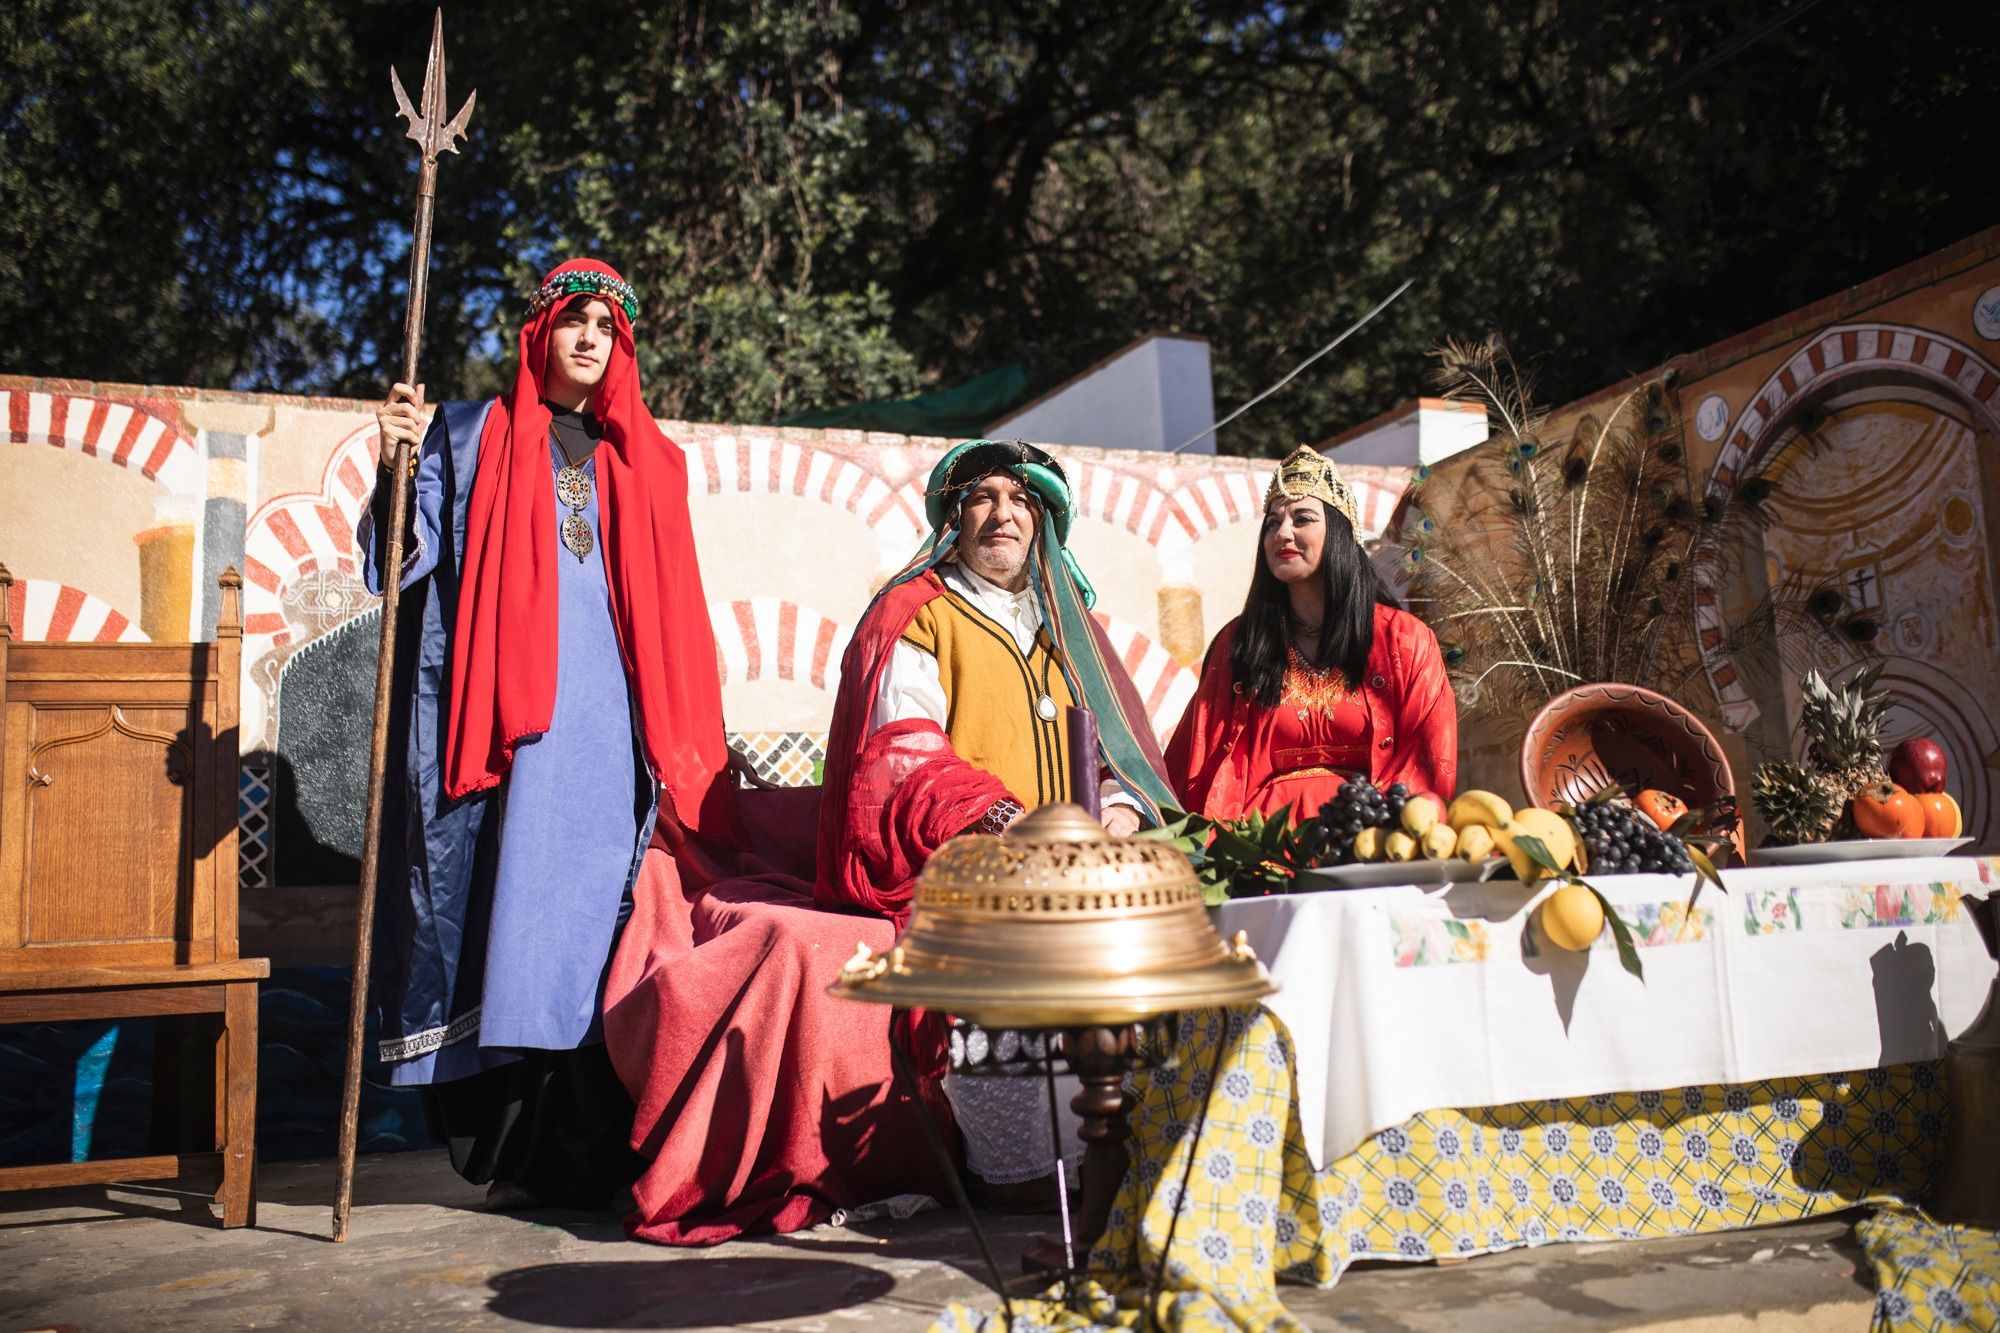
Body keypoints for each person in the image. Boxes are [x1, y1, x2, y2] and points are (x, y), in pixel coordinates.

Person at [603, 438, 1178, 1240]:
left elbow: (1118, 751)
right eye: (982, 497)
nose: (1002, 513)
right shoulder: (916, 613)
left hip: (1077, 868)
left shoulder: (1070, 631)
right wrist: (1005, 822)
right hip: (963, 868)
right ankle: (1013, 1164)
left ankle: (1124, 1145)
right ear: (953, 517)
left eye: (1021, 499)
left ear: (1044, 520)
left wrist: (1117, 809)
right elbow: (902, 755)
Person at [363, 257, 740, 1212]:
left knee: (604, 925)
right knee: (518, 918)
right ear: (540, 333)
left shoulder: (643, 458)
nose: (588, 339)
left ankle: (599, 1145)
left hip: (614, 726)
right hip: (510, 725)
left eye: (606, 327)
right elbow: (401, 566)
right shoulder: (471, 435)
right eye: (572, 320)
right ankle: (520, 1144)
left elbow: (671, 613)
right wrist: (396, 463)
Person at [1165, 445, 1457, 823]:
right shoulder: (1240, 644)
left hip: (1369, 846)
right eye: (1272, 523)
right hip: (1261, 853)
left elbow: (1429, 756)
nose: (1282, 532)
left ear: (1338, 533)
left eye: (1302, 519)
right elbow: (1192, 758)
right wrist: (1124, 798)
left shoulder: (1404, 640)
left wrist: (1385, 836)